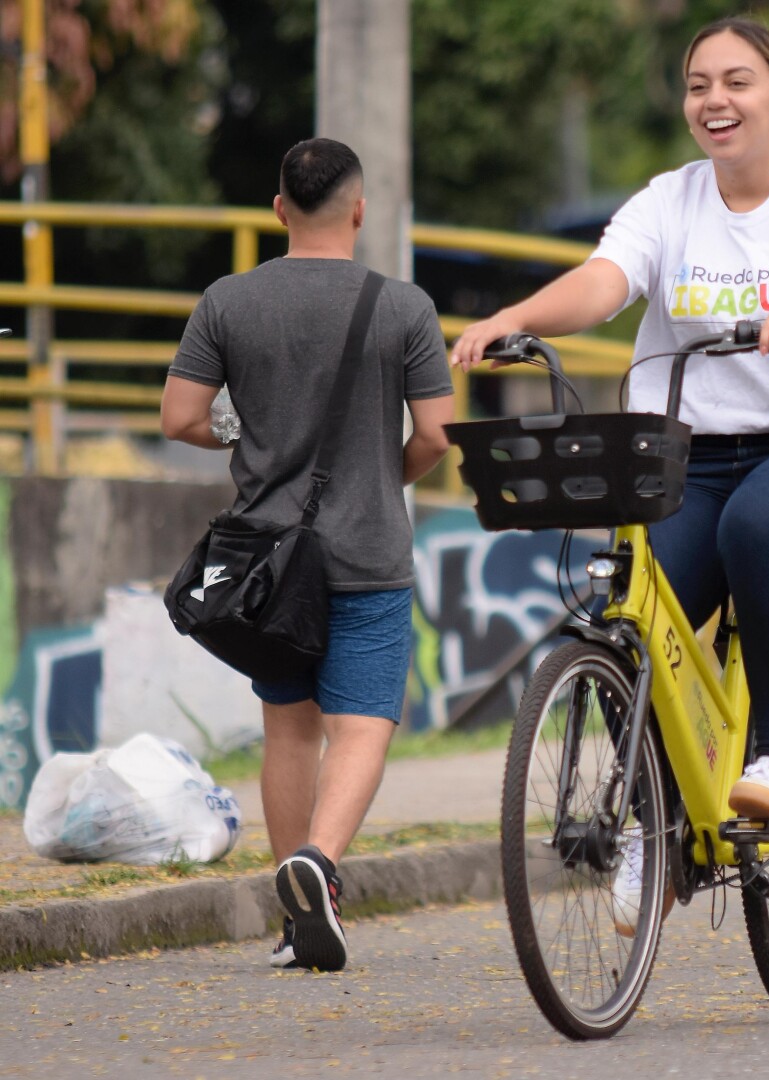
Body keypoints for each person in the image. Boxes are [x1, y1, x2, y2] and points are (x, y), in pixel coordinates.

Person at [450, 18, 769, 931]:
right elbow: (604, 280)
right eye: (698, 85)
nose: (714, 101)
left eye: (737, 81)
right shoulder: (668, 201)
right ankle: (651, 827)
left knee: (757, 526)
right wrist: (515, 318)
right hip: (686, 463)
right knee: (629, 613)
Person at [160, 138, 455, 970]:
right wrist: (385, 478)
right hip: (367, 553)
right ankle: (318, 864)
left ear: (279, 209)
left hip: (267, 564)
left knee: (288, 730)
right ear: (359, 209)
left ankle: (295, 925)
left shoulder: (228, 301)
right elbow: (437, 435)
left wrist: (241, 432)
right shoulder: (404, 308)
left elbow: (180, 418)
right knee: (359, 728)